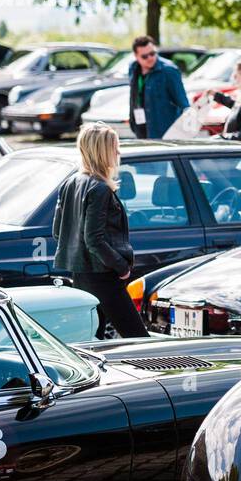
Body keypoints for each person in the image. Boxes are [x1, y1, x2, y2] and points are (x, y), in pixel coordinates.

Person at [52, 123, 146, 339]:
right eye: (114, 147)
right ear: (102, 151)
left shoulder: (70, 183)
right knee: (138, 340)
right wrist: (121, 267)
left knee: (94, 340)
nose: (118, 152)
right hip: (104, 277)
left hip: (81, 275)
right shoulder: (100, 188)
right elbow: (94, 239)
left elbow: (58, 232)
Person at [128, 35, 189, 139]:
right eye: (144, 56)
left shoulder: (169, 70)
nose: (150, 58)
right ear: (136, 56)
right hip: (141, 128)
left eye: (152, 53)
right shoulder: (133, 68)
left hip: (164, 133)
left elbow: (183, 103)